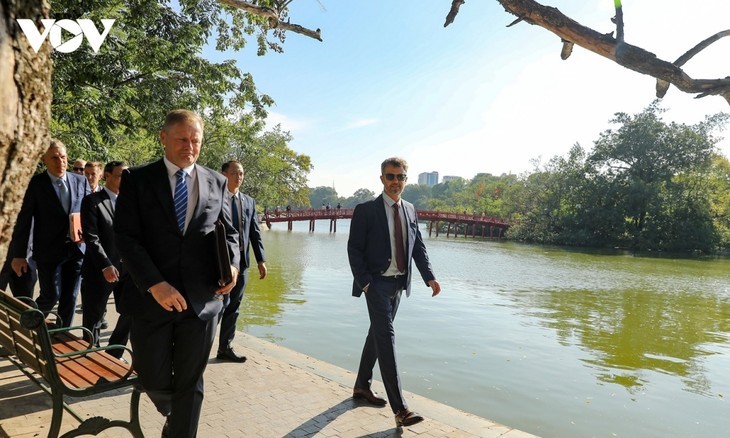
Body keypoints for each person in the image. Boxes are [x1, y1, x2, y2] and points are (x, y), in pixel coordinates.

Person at [114, 109, 239, 438]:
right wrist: (155, 284)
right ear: (164, 138)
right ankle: (174, 415)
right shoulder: (137, 180)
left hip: (202, 302)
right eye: (182, 139)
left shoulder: (217, 181)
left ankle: (180, 429)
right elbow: (126, 237)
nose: (189, 146)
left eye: (195, 140)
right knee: (153, 377)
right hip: (151, 301)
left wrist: (235, 266)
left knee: (190, 383)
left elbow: (230, 234)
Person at [347, 157, 441, 428]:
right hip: (376, 285)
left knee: (376, 336)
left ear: (405, 180)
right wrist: (365, 284)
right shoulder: (366, 211)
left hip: (399, 285)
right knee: (387, 340)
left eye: (400, 177)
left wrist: (430, 276)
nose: (395, 182)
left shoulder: (410, 209)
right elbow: (354, 250)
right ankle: (401, 410)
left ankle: (361, 386)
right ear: (381, 179)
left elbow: (417, 247)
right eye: (390, 177)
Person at [11, 140, 90, 327]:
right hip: (48, 252)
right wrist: (19, 255)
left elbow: (88, 213)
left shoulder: (80, 180)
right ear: (43, 159)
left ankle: (61, 335)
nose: (60, 161)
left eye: (63, 157)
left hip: (77, 249)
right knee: (51, 295)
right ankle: (25, 327)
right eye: (54, 157)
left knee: (70, 297)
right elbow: (23, 221)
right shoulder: (35, 184)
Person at [217, 160, 267, 363]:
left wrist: (261, 259)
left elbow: (255, 232)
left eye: (242, 174)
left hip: (242, 264)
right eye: (235, 173)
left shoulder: (248, 202)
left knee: (233, 307)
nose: (239, 177)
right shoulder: (214, 198)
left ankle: (225, 348)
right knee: (214, 307)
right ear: (224, 174)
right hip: (218, 263)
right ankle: (198, 349)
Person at [79, 161, 127, 347]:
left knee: (131, 313)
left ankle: (114, 354)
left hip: (127, 270)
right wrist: (105, 264)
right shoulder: (92, 201)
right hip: (100, 270)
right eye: (121, 175)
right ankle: (91, 355)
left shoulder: (129, 202)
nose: (125, 180)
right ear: (107, 176)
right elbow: (91, 237)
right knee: (94, 318)